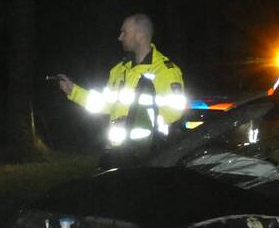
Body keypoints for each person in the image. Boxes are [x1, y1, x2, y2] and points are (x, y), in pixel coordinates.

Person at [57, 13, 185, 161]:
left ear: (140, 34)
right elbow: (105, 104)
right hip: (116, 152)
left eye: (125, 32)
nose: (120, 37)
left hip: (149, 154)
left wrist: (133, 120)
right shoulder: (119, 70)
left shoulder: (165, 70)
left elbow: (175, 111)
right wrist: (73, 91)